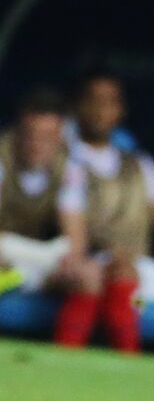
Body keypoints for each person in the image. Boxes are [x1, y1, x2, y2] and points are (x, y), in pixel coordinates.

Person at [59, 70, 154, 352]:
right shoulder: (65, 159)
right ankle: (116, 356)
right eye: (93, 101)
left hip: (139, 282)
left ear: (120, 110)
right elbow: (70, 229)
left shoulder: (141, 164)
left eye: (110, 102)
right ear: (77, 105)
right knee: (117, 274)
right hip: (89, 270)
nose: (100, 111)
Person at [0, 89, 96, 340]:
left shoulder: (70, 169)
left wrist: (46, 262)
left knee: (87, 274)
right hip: (4, 265)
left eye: (46, 137)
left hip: (39, 269)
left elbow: (75, 243)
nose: (36, 144)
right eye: (30, 135)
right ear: (18, 132)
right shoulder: (2, 157)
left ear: (60, 137)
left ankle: (68, 355)